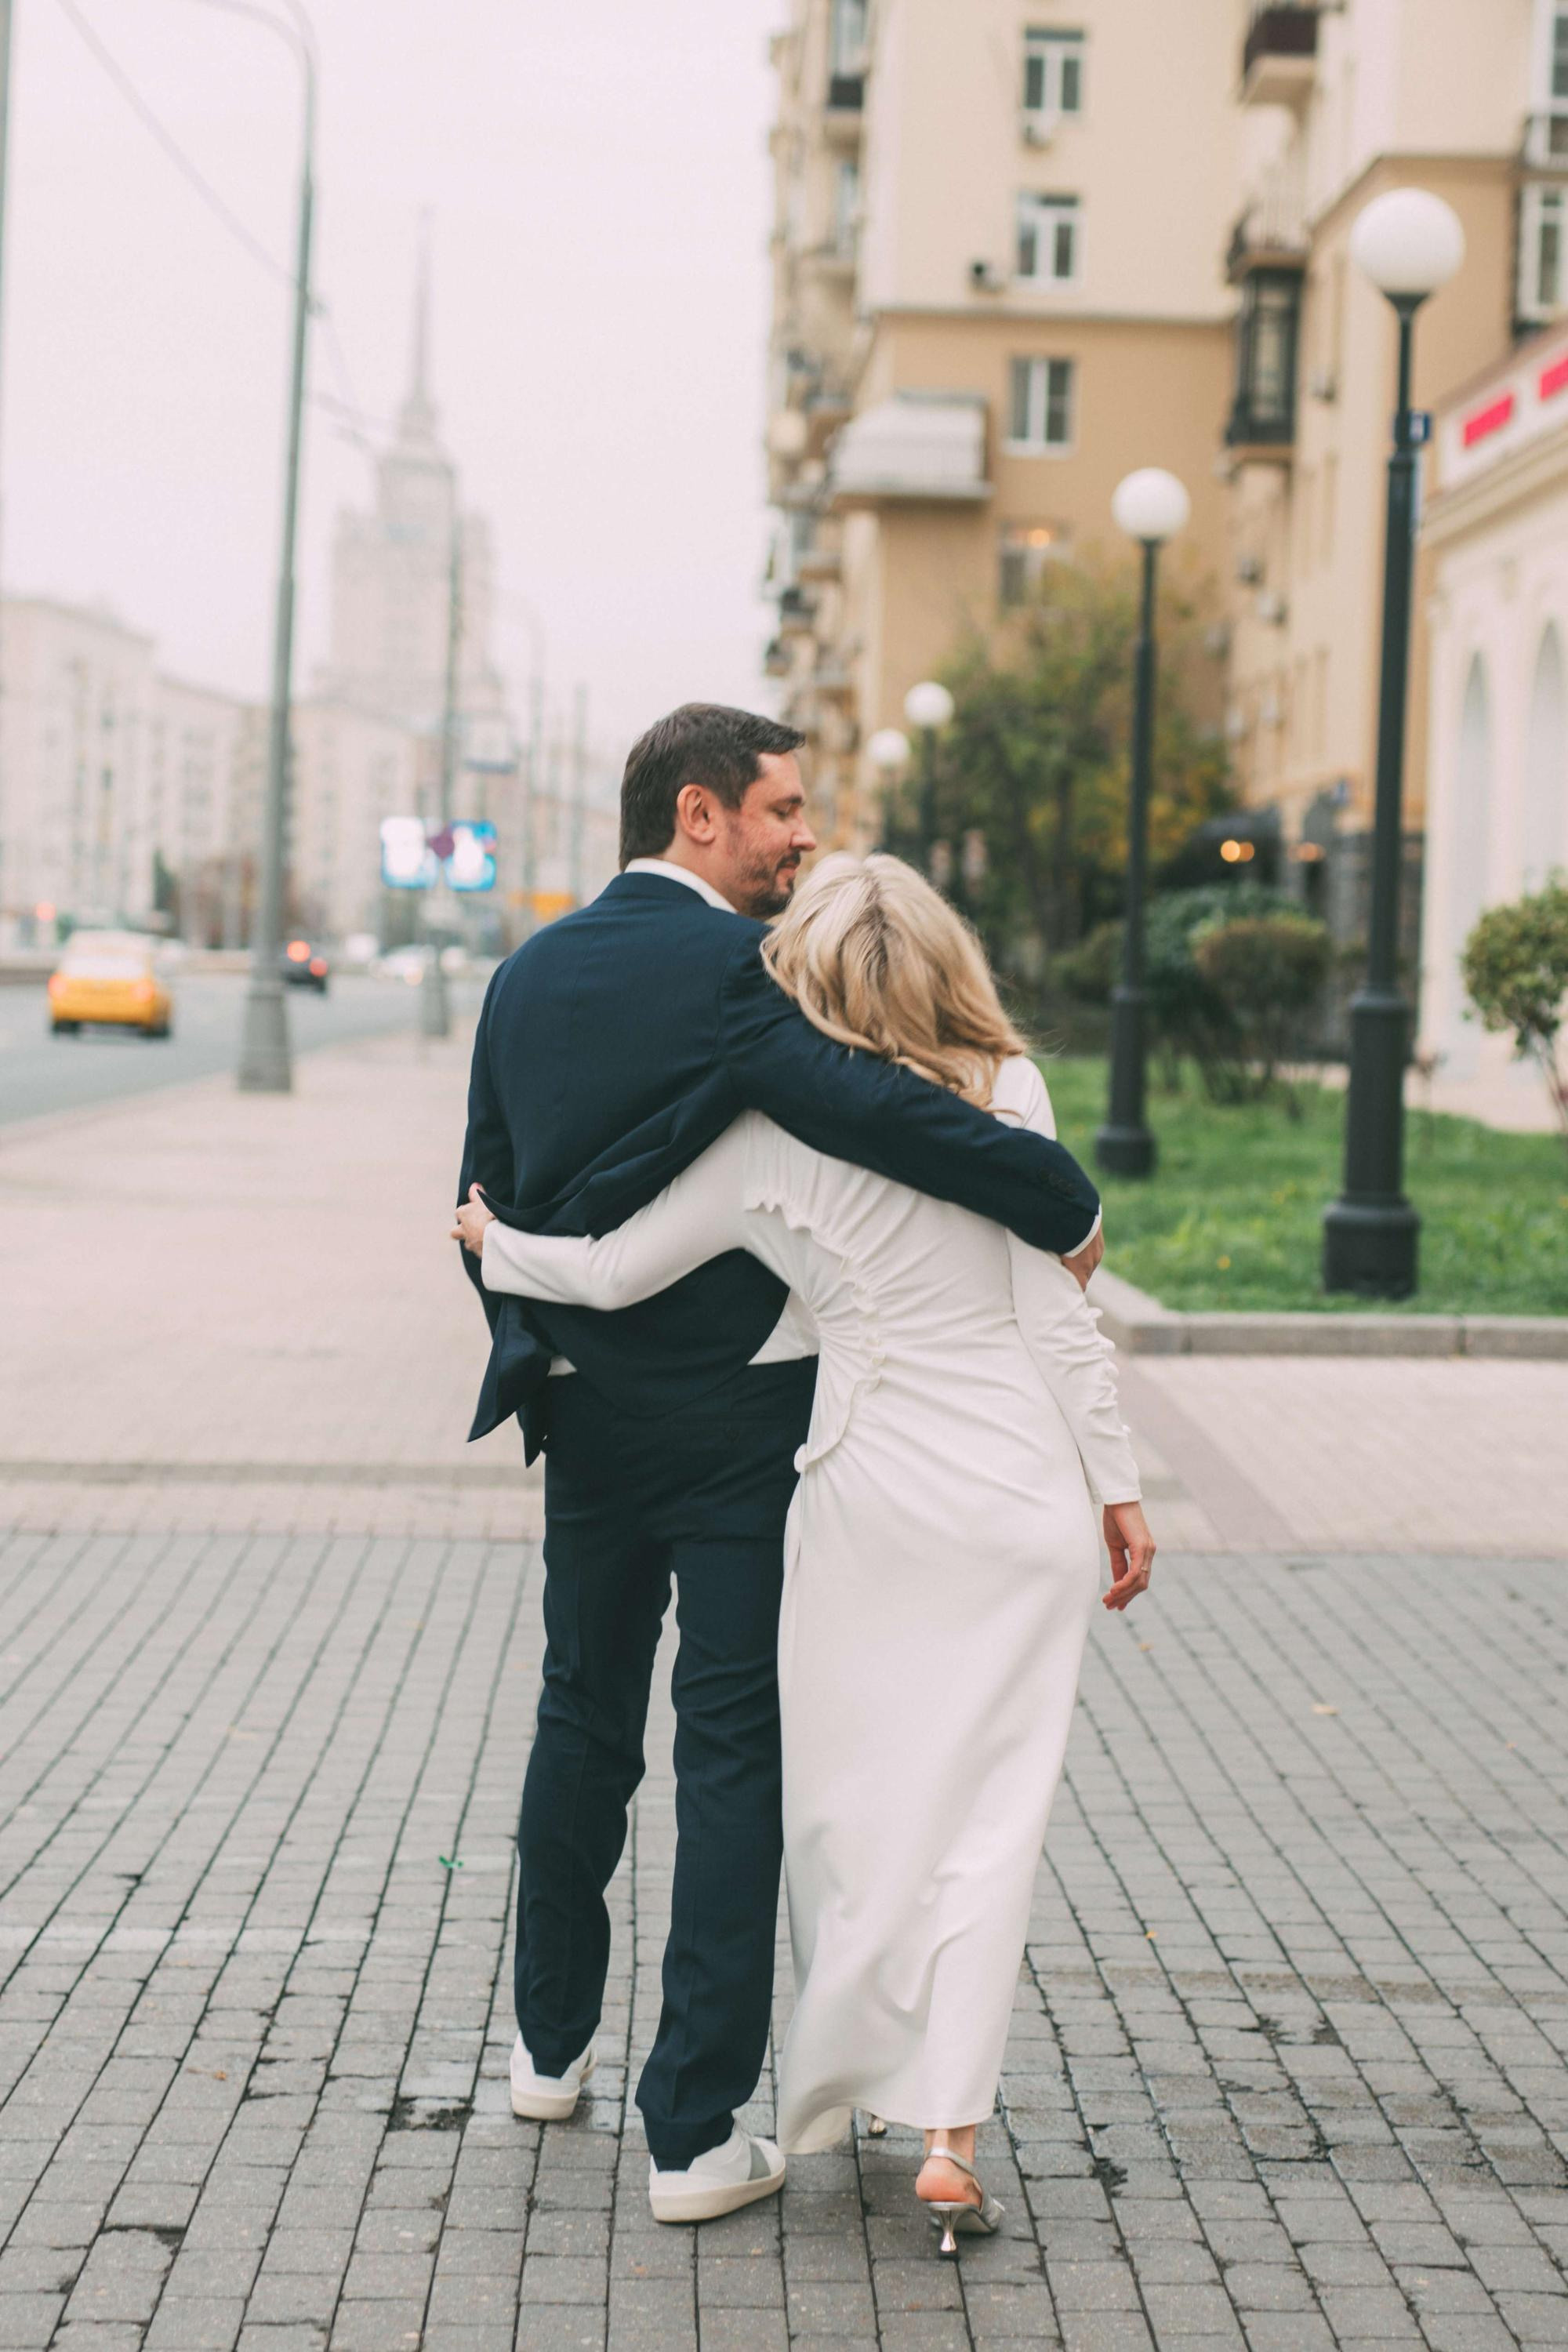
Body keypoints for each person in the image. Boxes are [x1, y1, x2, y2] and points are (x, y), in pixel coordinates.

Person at [455, 705, 1107, 2227]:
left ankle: (544, 2051)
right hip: (745, 1430)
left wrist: (535, 1342)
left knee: (578, 1722)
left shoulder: (523, 973)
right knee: (732, 1751)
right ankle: (690, 2133)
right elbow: (875, 1116)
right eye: (781, 812)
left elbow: (483, 1189)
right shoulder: (749, 979)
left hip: (586, 1418)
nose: (801, 837)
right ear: (698, 815)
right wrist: (1055, 1191)